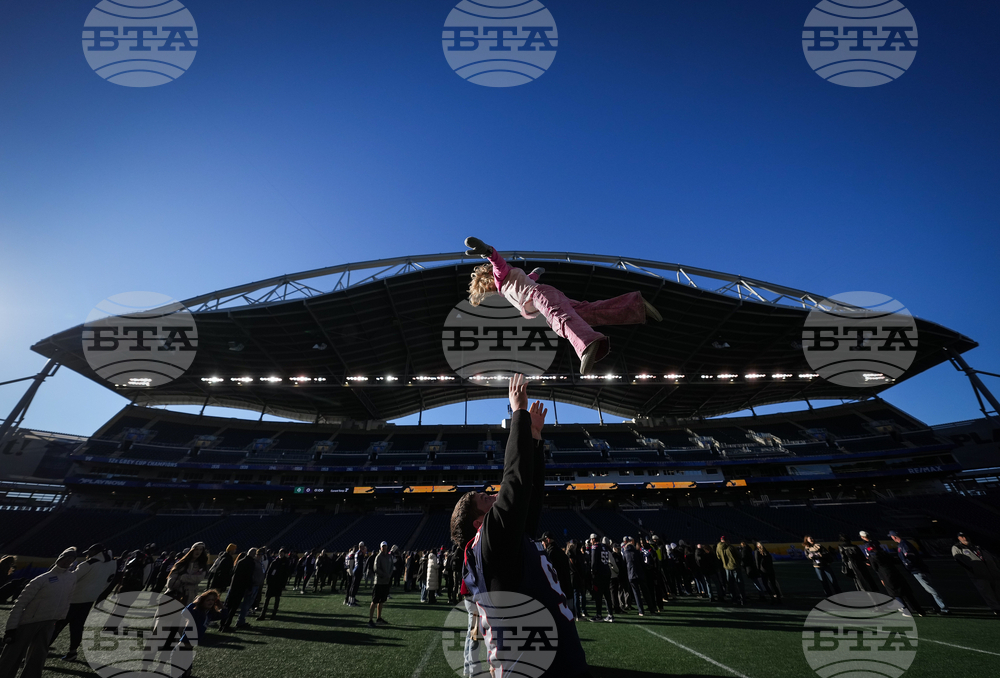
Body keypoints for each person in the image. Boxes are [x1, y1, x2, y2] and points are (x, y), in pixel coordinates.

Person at [450, 373, 588, 676]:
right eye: (484, 499)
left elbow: (529, 498)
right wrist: (519, 416)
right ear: (478, 522)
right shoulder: (488, 542)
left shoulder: (505, 543)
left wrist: (536, 441)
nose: (491, 495)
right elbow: (514, 482)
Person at [464, 238, 661, 375]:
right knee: (590, 312)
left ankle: (587, 344)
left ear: (489, 280)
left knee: (557, 318)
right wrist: (536, 273)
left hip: (540, 296)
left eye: (487, 288)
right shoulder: (510, 282)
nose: (490, 290)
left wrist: (487, 251)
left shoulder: (500, 276)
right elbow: (529, 279)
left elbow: (498, 263)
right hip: (544, 293)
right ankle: (636, 306)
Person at [0, 547, 77, 678]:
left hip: (49, 621)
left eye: (71, 559)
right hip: (29, 621)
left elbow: (68, 598)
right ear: (60, 558)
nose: (67, 562)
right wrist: (11, 628)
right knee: (13, 654)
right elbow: (20, 604)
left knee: (38, 656)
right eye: (66, 558)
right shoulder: (42, 579)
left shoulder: (71, 578)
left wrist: (60, 617)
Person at [50, 544, 117, 662]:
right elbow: (108, 582)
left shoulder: (88, 564)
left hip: (73, 599)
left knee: (57, 625)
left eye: (90, 552)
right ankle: (72, 652)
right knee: (77, 627)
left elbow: (71, 579)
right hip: (89, 600)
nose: (87, 554)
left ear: (96, 552)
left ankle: (40, 649)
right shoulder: (112, 563)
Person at [860, 534, 924, 617]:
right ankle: (919, 610)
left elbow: (875, 568)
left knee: (895, 593)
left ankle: (905, 610)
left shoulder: (873, 558)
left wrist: (871, 565)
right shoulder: (884, 553)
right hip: (895, 572)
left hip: (886, 575)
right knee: (907, 592)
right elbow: (895, 561)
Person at [889, 531, 949, 614]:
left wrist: (908, 566)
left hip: (918, 570)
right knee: (929, 590)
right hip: (918, 569)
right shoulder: (903, 544)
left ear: (894, 537)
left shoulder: (903, 544)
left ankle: (944, 608)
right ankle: (937, 608)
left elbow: (910, 557)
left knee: (931, 590)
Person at [951, 532, 1000, 615]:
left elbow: (992, 557)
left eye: (965, 536)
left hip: (993, 572)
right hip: (978, 574)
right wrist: (971, 570)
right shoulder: (957, 547)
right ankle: (996, 608)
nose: (964, 538)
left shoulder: (976, 546)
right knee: (987, 591)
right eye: (961, 537)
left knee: (998, 590)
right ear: (958, 538)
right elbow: (959, 560)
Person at [220, 549, 257, 632]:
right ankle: (227, 625)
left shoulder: (240, 561)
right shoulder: (251, 563)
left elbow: (233, 572)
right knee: (234, 608)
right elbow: (249, 577)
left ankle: (222, 624)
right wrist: (249, 588)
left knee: (228, 606)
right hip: (241, 587)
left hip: (233, 586)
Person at [258, 549, 291, 620]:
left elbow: (286, 574)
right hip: (271, 583)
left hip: (279, 583)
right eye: (280, 553)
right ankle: (263, 614)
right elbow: (269, 572)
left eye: (282, 553)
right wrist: (267, 581)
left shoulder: (286, 562)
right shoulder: (275, 561)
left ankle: (273, 614)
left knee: (277, 599)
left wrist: (283, 584)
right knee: (267, 599)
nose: (281, 554)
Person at [623, 536, 652, 616]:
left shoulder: (626, 553)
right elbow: (642, 564)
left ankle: (641, 611)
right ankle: (652, 609)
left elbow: (624, 564)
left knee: (636, 594)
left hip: (631, 575)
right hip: (640, 574)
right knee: (646, 592)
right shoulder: (637, 552)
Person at [368, 542, 393, 627]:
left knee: (382, 601)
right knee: (375, 601)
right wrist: (384, 575)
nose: (384, 548)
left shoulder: (389, 557)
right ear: (380, 547)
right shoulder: (378, 557)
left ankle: (379, 618)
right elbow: (376, 568)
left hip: (385, 582)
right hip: (378, 582)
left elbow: (391, 566)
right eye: (383, 546)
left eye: (385, 546)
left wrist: (389, 574)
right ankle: (370, 620)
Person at [716, 536, 745, 604]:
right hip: (735, 566)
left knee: (730, 584)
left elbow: (718, 557)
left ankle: (733, 598)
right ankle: (742, 599)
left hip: (726, 567)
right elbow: (739, 556)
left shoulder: (718, 547)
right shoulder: (731, 547)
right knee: (739, 583)